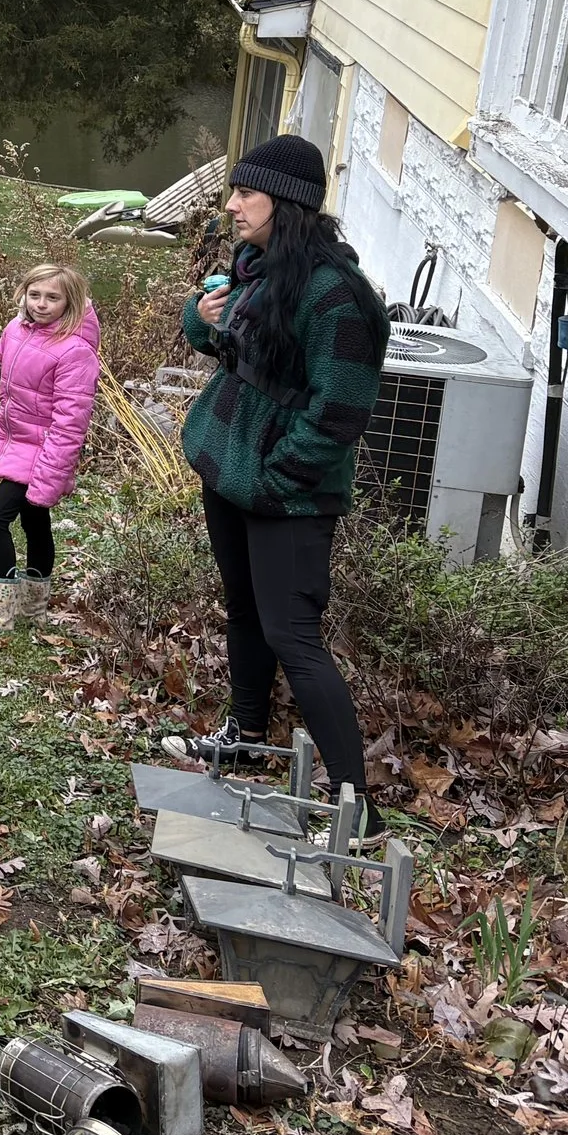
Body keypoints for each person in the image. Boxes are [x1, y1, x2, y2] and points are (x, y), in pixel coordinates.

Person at [180, 136, 389, 820]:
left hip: (286, 494)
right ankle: (243, 737)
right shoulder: (262, 265)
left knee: (292, 634)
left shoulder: (337, 295)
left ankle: (356, 803)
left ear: (288, 202)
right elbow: (228, 347)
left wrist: (278, 477)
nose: (232, 205)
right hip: (230, 470)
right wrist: (202, 317)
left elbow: (339, 409)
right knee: (244, 610)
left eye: (246, 193)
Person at [0, 263, 102, 638]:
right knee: (35, 521)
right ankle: (34, 607)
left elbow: (70, 424)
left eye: (53, 298)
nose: (41, 304)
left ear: (70, 303)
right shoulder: (15, 330)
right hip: (15, 441)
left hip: (43, 453)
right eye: (35, 294)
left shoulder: (75, 352)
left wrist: (49, 476)